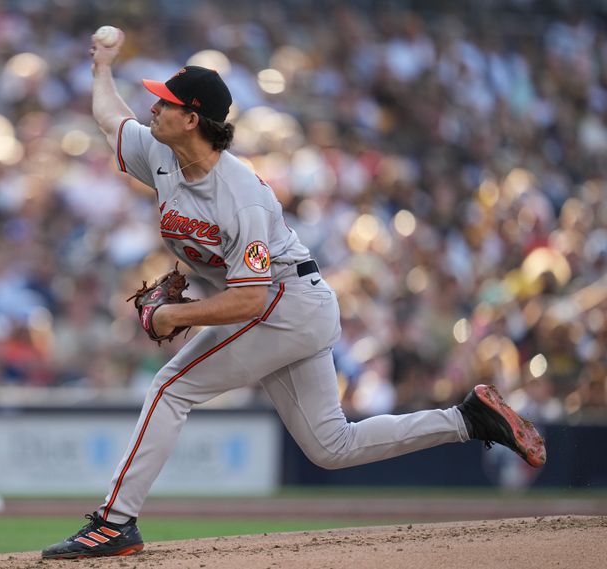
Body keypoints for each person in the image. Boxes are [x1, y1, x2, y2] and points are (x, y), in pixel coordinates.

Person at [41, 28, 547, 560]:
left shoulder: (242, 198)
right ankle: (468, 420)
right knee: (332, 447)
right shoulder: (162, 154)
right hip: (289, 305)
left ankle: (115, 522)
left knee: (171, 388)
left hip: (285, 303)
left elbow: (251, 301)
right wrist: (101, 66)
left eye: (164, 101)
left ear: (192, 119)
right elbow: (109, 118)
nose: (152, 106)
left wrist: (174, 314)